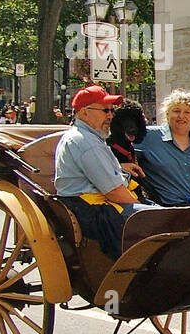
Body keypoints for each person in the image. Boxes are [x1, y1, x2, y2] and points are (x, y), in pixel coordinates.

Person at [54, 85, 151, 259]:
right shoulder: (86, 142)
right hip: (91, 210)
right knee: (160, 221)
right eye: (105, 110)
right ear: (84, 112)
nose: (110, 116)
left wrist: (119, 168)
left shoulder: (89, 137)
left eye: (111, 110)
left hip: (92, 204)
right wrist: (145, 209)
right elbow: (115, 193)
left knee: (162, 214)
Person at [135, 89, 190, 206]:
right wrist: (123, 165)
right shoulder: (148, 137)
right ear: (167, 114)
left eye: (187, 112)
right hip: (167, 212)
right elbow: (118, 148)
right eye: (176, 111)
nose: (181, 116)